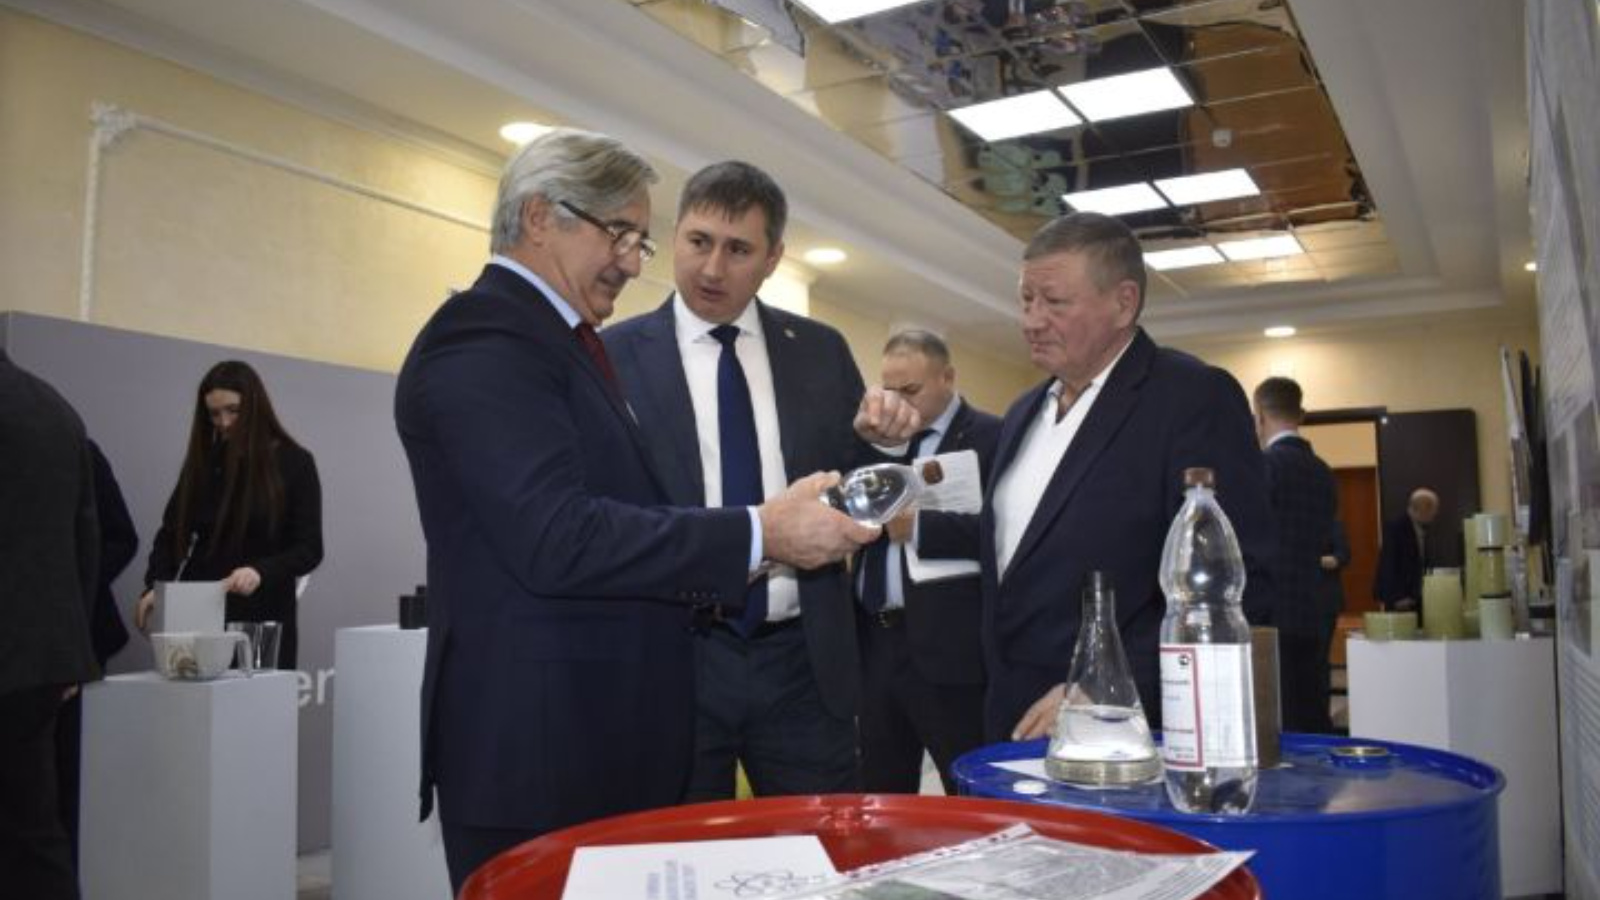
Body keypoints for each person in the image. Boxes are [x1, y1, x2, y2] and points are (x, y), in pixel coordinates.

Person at [393, 131, 881, 891]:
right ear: (540, 217)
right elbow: (559, 538)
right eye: (618, 233)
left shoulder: (555, 342)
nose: (629, 260)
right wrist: (760, 531)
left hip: (593, 734)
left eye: (638, 241)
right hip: (538, 749)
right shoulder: (486, 338)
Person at [603, 160, 920, 801]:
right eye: (698, 242)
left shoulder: (820, 351)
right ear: (675, 235)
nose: (712, 268)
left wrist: (883, 443)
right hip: (677, 656)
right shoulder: (613, 356)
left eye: (738, 249)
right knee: (682, 848)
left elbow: (855, 490)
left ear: (773, 258)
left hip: (803, 659)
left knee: (823, 845)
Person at [985, 212, 1275, 744]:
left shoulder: (1191, 396)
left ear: (1123, 303)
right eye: (1026, 300)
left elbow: (1233, 578)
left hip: (1123, 720)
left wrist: (1107, 684)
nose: (1031, 321)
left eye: (1054, 302)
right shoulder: (1023, 411)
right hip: (1012, 712)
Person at [855, 329, 1000, 794]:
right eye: (889, 390)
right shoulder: (873, 442)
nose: (897, 403)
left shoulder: (992, 438)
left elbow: (1009, 534)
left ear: (947, 378)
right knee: (880, 790)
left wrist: (921, 528)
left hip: (950, 651)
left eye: (911, 390)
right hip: (875, 643)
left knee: (966, 788)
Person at [134, 360, 323, 669]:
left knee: (256, 698)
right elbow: (171, 534)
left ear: (255, 406)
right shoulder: (204, 463)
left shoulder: (295, 462)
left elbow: (309, 548)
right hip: (201, 612)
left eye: (233, 410)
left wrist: (260, 571)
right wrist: (157, 587)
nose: (223, 422)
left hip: (264, 618)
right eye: (214, 414)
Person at [1, 348, 101, 899]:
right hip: (41, 661)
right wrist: (71, 651)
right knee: (34, 834)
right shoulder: (56, 410)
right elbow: (84, 543)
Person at [56, 440, 139, 864]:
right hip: (27, 641)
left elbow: (122, 538)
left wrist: (70, 586)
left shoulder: (77, 450)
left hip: (77, 637)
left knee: (67, 773)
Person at [1253, 376, 1339, 733]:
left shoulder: (1264, 467)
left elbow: (1254, 540)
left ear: (1259, 415)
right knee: (1311, 710)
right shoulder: (1323, 473)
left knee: (1277, 720)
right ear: (1300, 414)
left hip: (1270, 613)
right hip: (1314, 609)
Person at [1374, 487, 1438, 612]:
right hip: (1400, 600)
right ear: (1423, 508)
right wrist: (1396, 597)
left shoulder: (1422, 528)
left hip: (1416, 598)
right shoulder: (1396, 528)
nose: (1435, 513)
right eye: (1433, 509)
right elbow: (1388, 564)